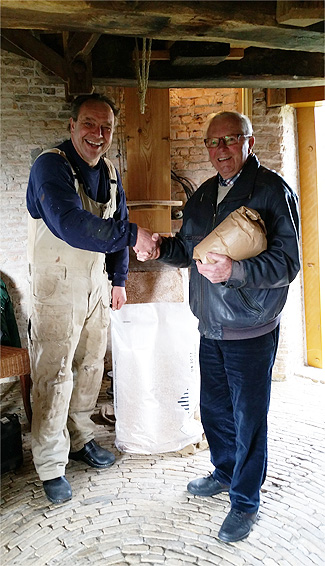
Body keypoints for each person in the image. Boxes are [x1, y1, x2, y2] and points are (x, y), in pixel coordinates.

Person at [134, 111, 300, 542]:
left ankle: (245, 501)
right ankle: (225, 471)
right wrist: (159, 250)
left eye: (230, 140)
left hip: (251, 325)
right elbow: (191, 250)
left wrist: (236, 272)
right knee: (215, 410)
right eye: (213, 142)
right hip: (210, 324)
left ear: (248, 142)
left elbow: (288, 262)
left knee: (249, 418)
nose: (221, 150)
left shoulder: (271, 191)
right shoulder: (206, 194)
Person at [27, 92, 157, 504]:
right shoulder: (51, 166)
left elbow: (117, 225)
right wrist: (136, 236)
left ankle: (81, 438)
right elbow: (71, 224)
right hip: (56, 288)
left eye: (106, 128)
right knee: (54, 372)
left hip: (96, 286)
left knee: (89, 367)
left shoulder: (111, 173)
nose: (97, 135)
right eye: (89, 124)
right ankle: (50, 463)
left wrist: (118, 280)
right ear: (72, 125)